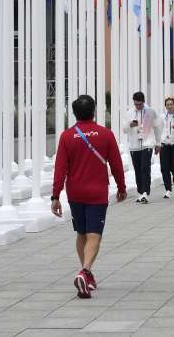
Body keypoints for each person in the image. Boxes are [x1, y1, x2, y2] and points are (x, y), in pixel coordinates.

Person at [50, 95, 127, 299]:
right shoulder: (105, 134)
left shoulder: (67, 136)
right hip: (97, 192)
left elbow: (60, 168)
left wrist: (55, 195)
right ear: (94, 110)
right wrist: (121, 187)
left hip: (75, 192)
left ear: (74, 113)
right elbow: (116, 164)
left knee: (81, 233)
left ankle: (87, 273)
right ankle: (85, 270)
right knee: (95, 234)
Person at [122, 91, 161, 204]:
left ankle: (146, 193)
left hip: (147, 144)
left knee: (145, 168)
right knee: (138, 169)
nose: (138, 106)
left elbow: (157, 127)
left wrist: (158, 143)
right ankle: (140, 192)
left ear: (144, 102)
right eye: (136, 104)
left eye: (140, 104)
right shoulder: (129, 113)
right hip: (134, 145)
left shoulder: (150, 112)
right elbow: (124, 129)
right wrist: (130, 125)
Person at [158, 97, 174, 199]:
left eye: (171, 104)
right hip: (164, 145)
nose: (169, 106)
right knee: (164, 168)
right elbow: (158, 131)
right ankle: (168, 189)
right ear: (165, 106)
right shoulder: (162, 117)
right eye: (167, 104)